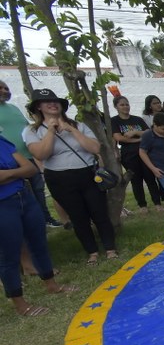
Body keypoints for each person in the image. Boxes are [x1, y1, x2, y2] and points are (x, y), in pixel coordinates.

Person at [23, 89, 118, 266]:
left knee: (99, 212)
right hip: (60, 178)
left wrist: (71, 130)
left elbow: (95, 148)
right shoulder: (32, 130)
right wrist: (51, 131)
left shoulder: (78, 125)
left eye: (55, 101)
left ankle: (110, 247)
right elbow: (41, 153)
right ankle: (92, 252)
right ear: (38, 107)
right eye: (46, 102)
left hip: (87, 173)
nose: (52, 104)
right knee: (78, 216)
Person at [0, 135, 77, 316]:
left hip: (24, 198)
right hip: (3, 205)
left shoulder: (3, 141)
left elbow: (30, 169)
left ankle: (51, 285)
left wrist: (7, 175)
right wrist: (17, 173)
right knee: (8, 255)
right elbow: (22, 171)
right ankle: (20, 305)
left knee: (38, 242)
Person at [0, 80, 62, 227]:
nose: (4, 91)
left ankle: (45, 219)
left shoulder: (14, 108)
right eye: (0, 88)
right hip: (9, 160)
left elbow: (27, 128)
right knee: (21, 193)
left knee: (39, 190)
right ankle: (28, 224)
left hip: (29, 157)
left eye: (6, 88)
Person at [110, 96, 160, 214]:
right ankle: (142, 205)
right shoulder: (115, 121)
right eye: (122, 105)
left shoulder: (137, 119)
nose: (125, 107)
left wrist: (135, 132)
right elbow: (118, 137)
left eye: (126, 104)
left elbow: (149, 132)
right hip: (129, 154)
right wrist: (138, 140)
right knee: (136, 180)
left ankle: (157, 203)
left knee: (150, 178)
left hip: (145, 152)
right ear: (116, 107)